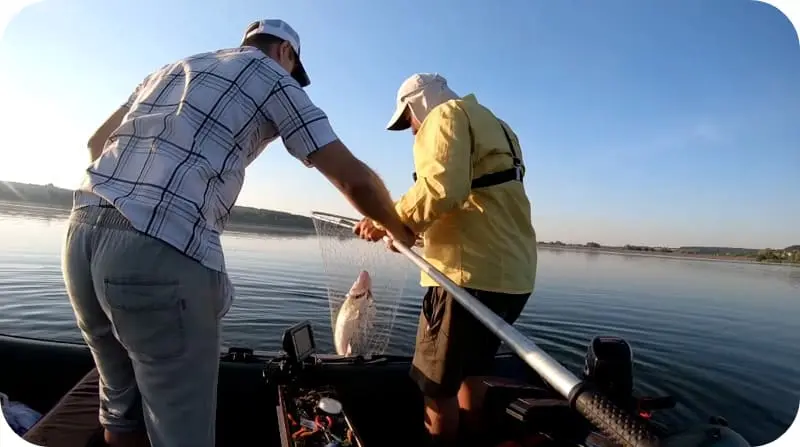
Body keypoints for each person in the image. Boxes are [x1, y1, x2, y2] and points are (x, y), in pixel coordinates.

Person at [62, 19, 415, 447]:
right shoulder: (273, 77)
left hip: (81, 236)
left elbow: (97, 144)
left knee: (120, 406)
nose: (292, 76)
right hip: (160, 247)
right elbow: (353, 181)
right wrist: (399, 230)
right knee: (181, 433)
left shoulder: (173, 67)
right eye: (294, 67)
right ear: (286, 52)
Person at [355, 73, 538, 446]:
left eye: (408, 119)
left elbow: (442, 187)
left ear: (420, 101)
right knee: (472, 375)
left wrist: (386, 220)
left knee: (436, 389)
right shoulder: (498, 126)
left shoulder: (444, 114)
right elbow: (479, 200)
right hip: (511, 278)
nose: (411, 131)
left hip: (463, 278)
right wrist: (408, 232)